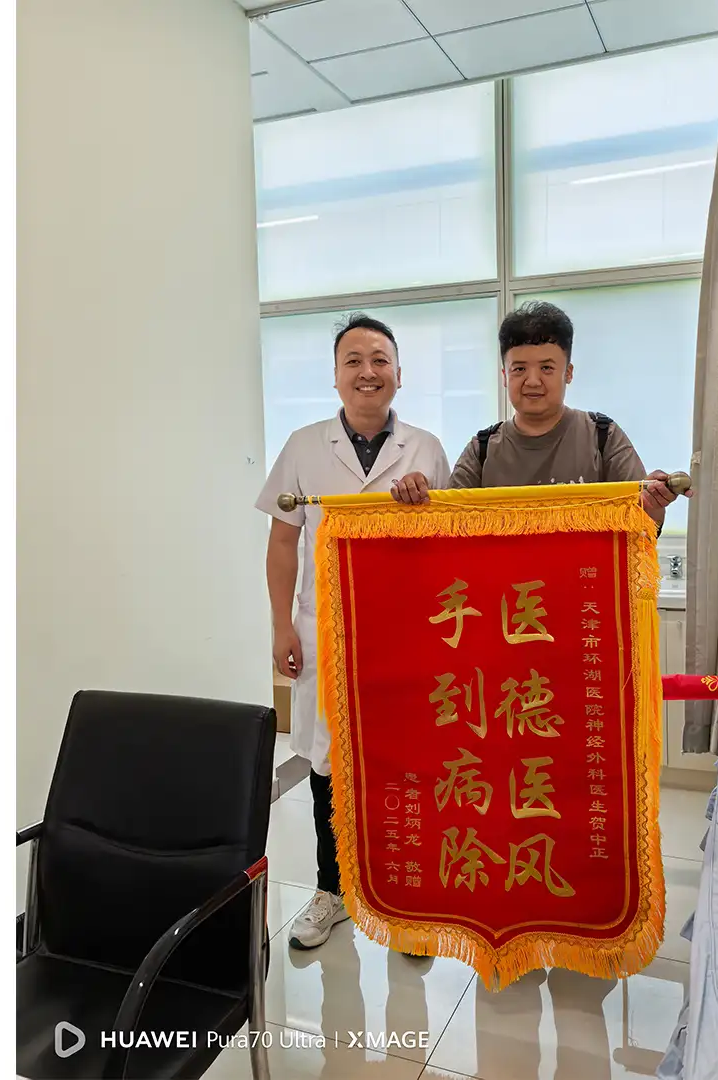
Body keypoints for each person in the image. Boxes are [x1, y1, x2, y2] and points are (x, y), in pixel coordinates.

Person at [255, 313, 450, 951]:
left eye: (379, 360)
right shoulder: (303, 446)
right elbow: (281, 544)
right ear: (336, 376)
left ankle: (407, 898)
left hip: (406, 633)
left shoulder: (426, 449)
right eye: (354, 361)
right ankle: (331, 890)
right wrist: (282, 625)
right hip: (325, 630)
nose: (368, 372)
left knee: (406, 762)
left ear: (399, 374)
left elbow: (451, 545)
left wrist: (425, 505)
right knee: (326, 760)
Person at [391, 300, 690, 524]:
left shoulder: (603, 436)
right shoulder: (481, 449)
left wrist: (654, 501)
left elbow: (643, 525)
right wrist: (418, 495)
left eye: (547, 368)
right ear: (505, 376)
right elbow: (448, 526)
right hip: (505, 591)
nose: (532, 381)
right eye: (519, 369)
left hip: (584, 589)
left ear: (568, 373)